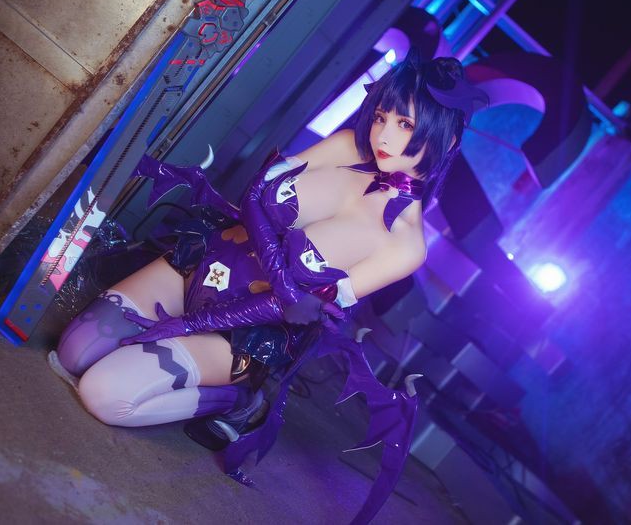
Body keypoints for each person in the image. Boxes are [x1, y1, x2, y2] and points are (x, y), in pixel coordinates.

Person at [52, 49, 487, 521]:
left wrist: (186, 325)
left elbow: (297, 309)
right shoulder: (348, 146)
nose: (382, 135)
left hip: (239, 334)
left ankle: (239, 401)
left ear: (446, 138)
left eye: (404, 124)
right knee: (76, 351)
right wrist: (282, 280)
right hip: (201, 265)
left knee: (104, 395)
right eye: (382, 116)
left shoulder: (405, 246)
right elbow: (256, 193)